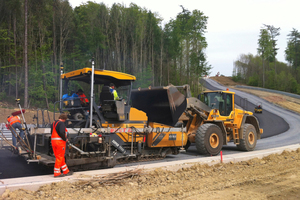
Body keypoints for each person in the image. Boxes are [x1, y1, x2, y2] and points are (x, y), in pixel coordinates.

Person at [51, 113, 73, 178]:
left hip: (53, 142)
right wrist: (65, 139)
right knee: (60, 157)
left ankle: (66, 171)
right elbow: (61, 132)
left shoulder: (53, 123)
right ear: (64, 119)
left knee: (59, 157)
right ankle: (57, 173)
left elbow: (52, 132)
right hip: (60, 143)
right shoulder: (61, 124)